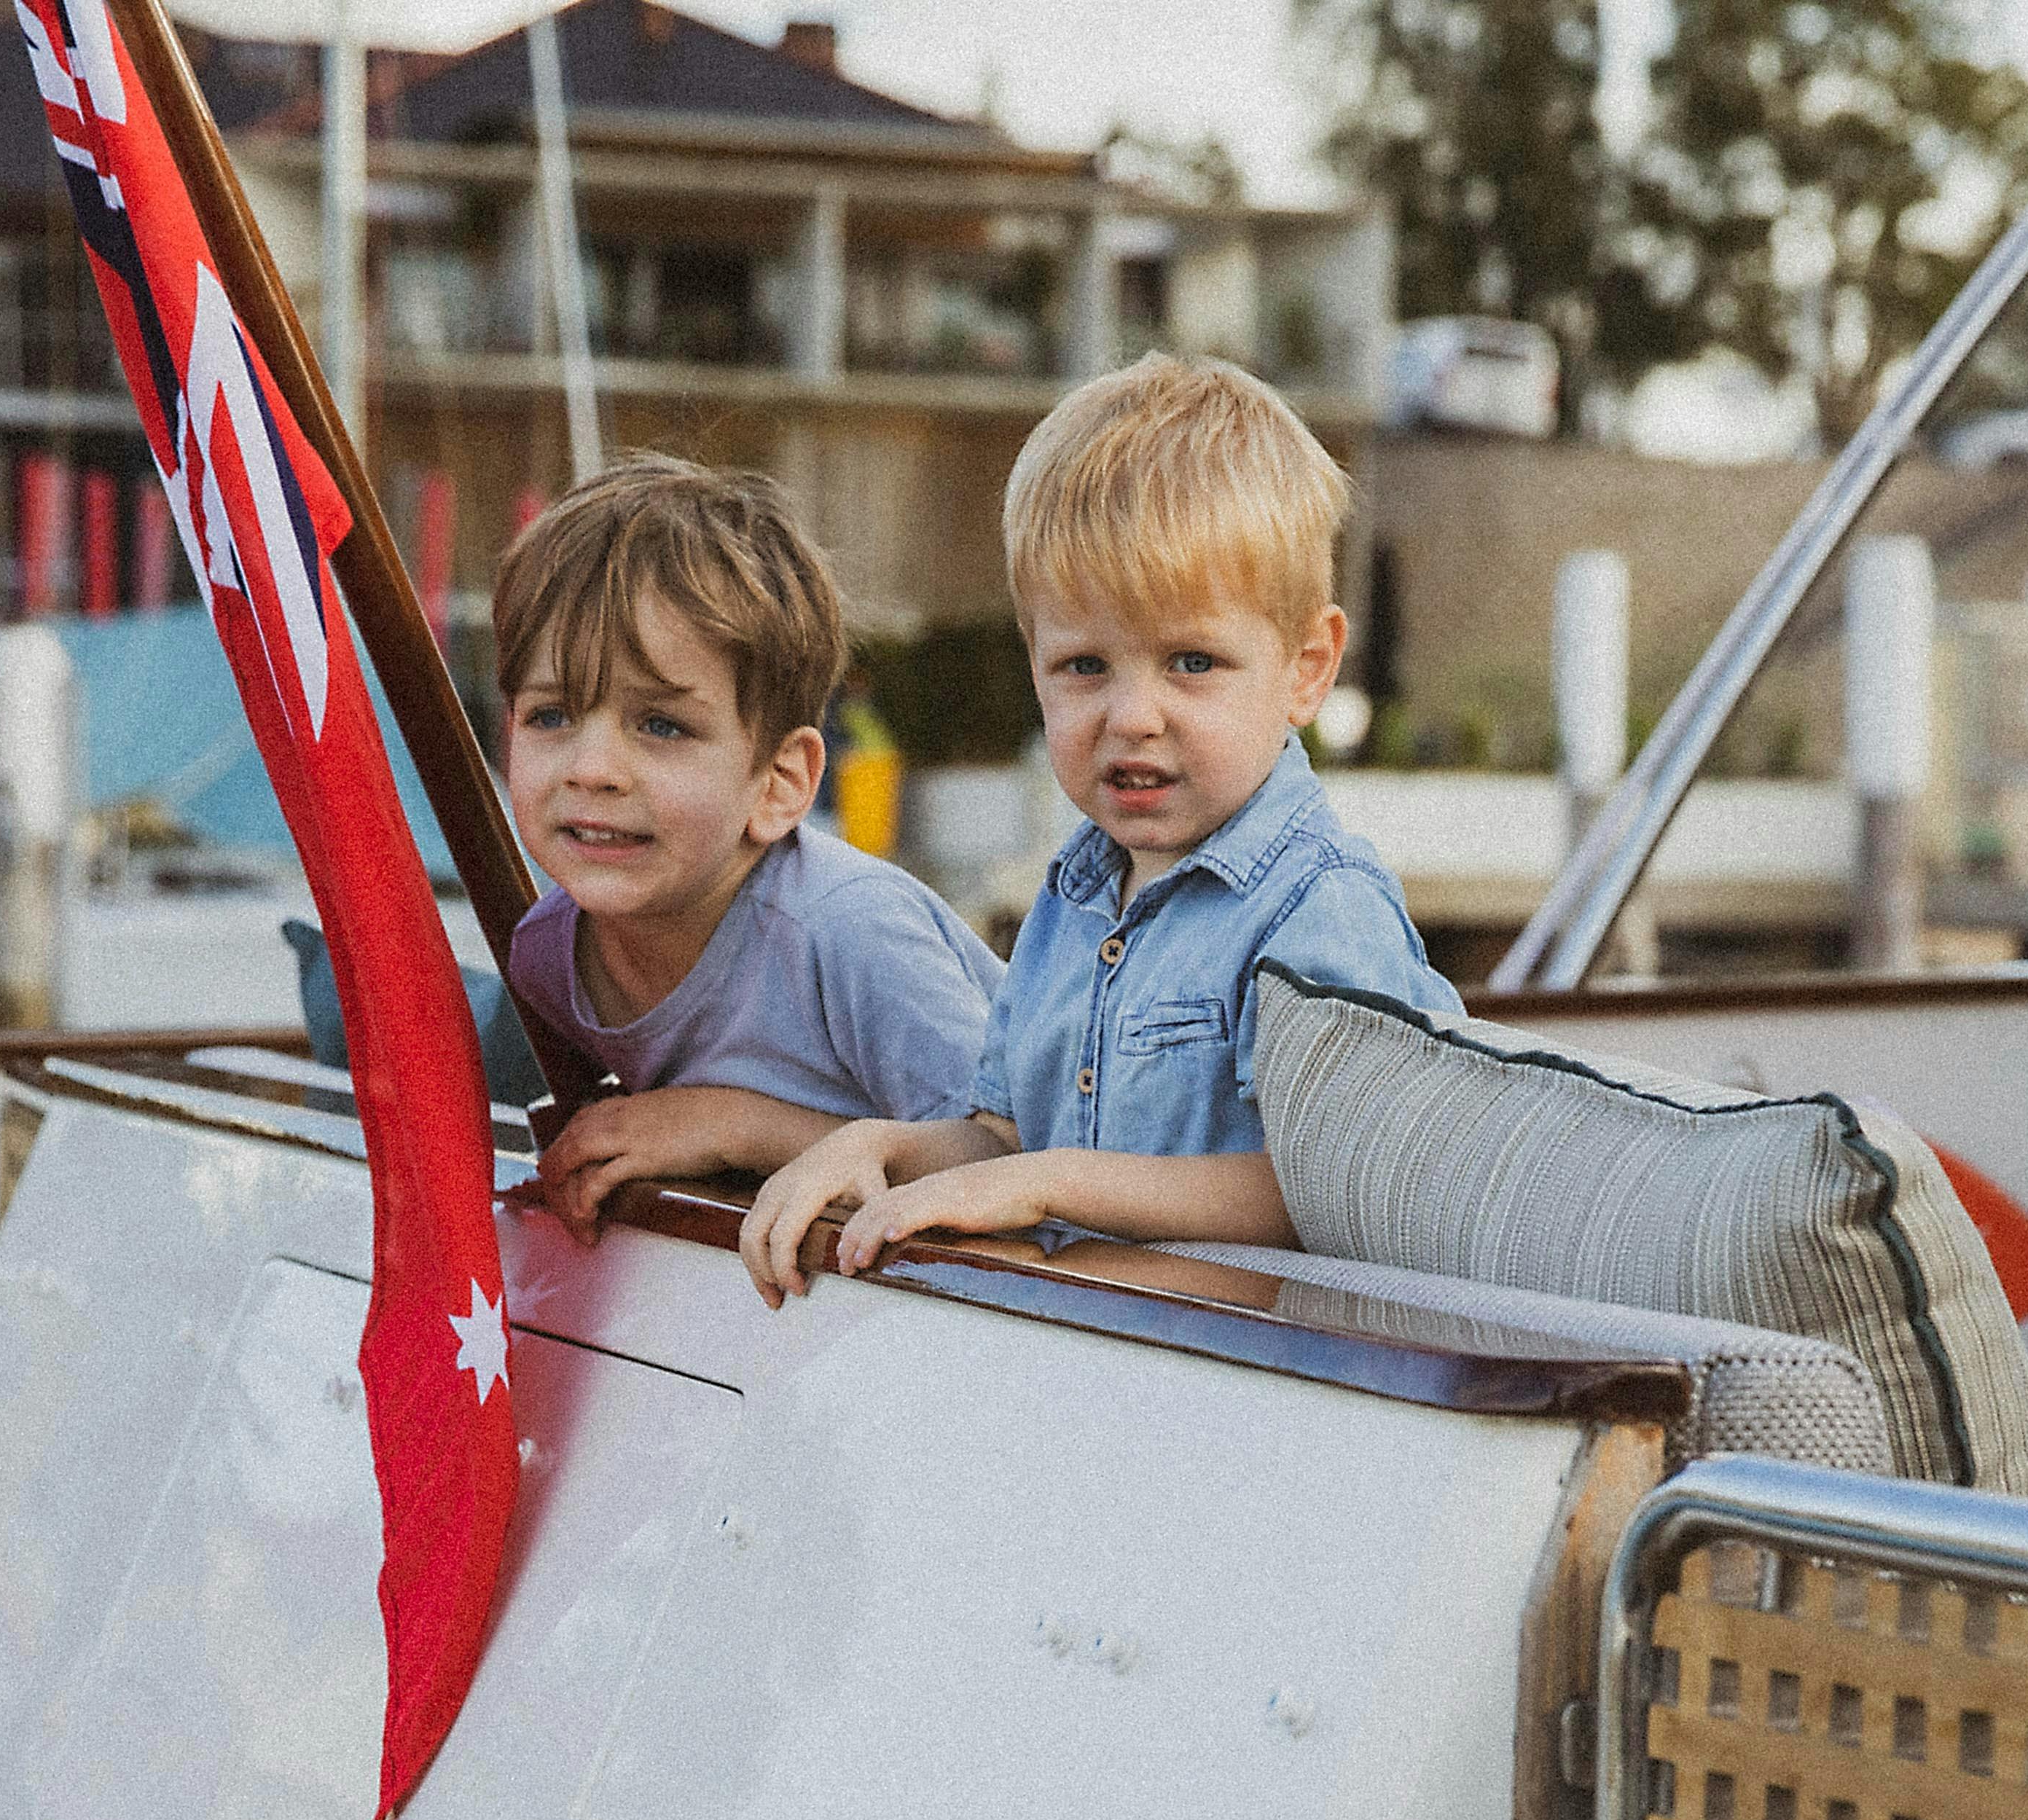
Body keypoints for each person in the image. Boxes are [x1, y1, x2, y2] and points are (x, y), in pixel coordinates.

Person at [735, 356, 1452, 1303]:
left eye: (1191, 662)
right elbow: (1003, 1141)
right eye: (1083, 666)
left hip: (1262, 1406)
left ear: (1307, 668)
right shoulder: (1075, 896)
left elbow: (1335, 1194)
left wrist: (1047, 1186)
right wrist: (881, 1150)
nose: (1132, 715)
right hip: (1083, 1380)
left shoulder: (1322, 909)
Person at [499, 458, 1006, 1239]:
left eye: (661, 725)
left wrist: (729, 1125)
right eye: (551, 715)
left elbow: (1022, 1163)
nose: (591, 770)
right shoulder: (545, 960)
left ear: (779, 782)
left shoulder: (849, 935)